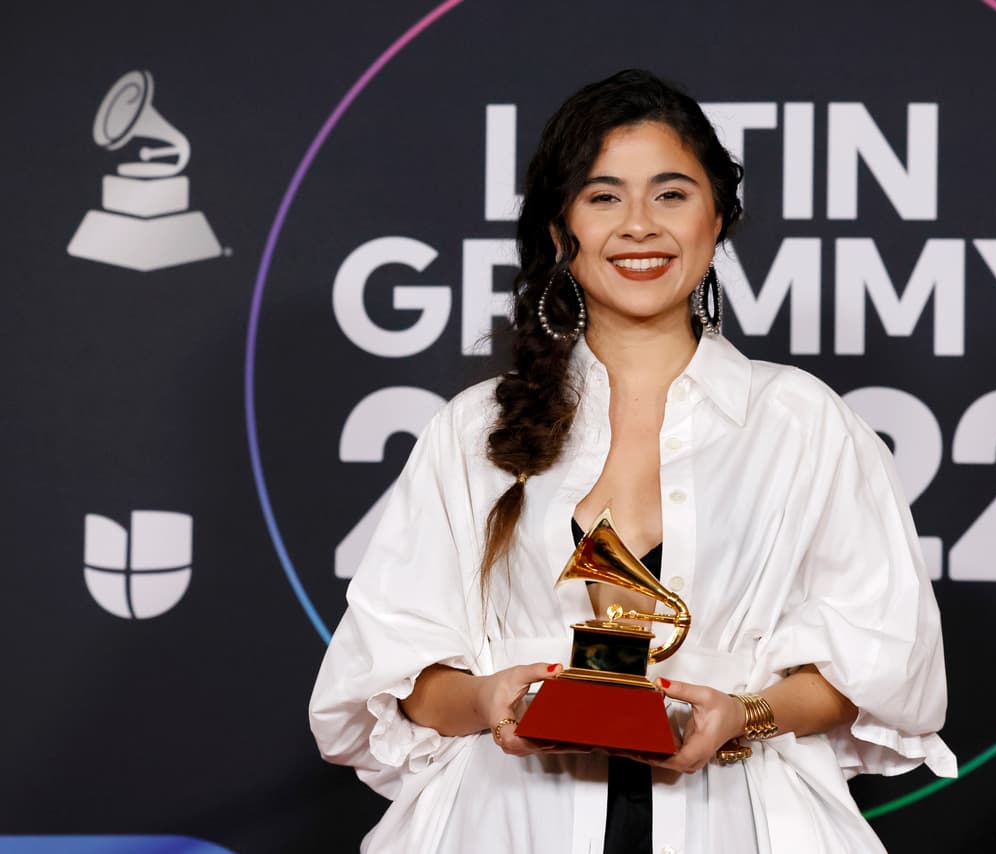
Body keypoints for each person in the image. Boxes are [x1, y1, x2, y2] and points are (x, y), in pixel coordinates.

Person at [309, 69, 956, 853]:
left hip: (741, 823)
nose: (639, 226)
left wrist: (745, 713)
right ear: (560, 230)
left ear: (717, 221)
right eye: (604, 196)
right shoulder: (472, 431)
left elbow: (882, 664)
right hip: (502, 823)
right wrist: (487, 700)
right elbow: (391, 679)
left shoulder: (804, 422)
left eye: (672, 195)